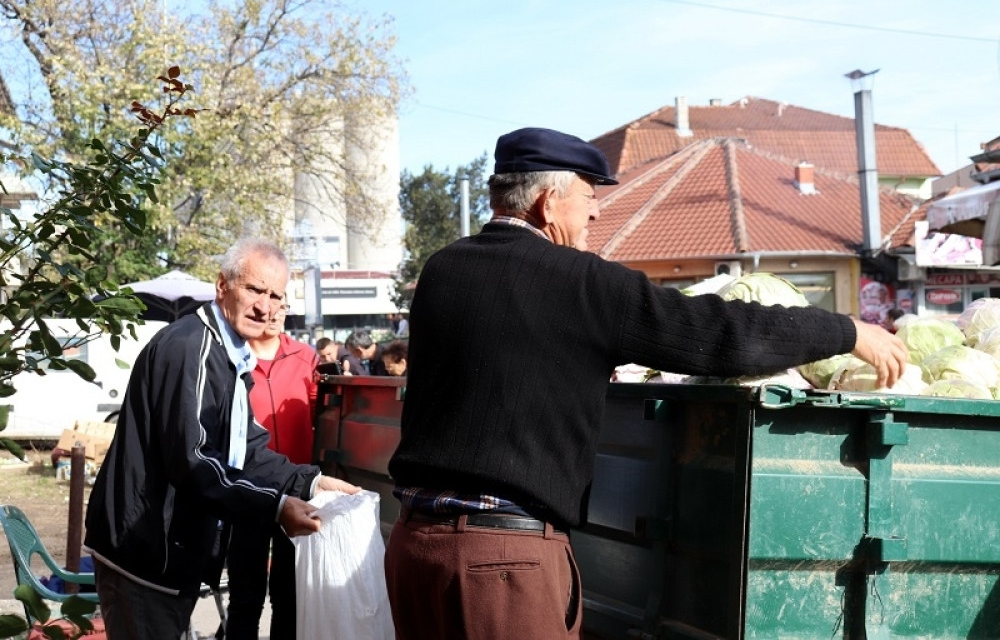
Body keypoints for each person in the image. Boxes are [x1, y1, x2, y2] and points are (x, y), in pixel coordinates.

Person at [383, 127, 908, 640]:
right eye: (589, 197)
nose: (595, 212)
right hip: (502, 567)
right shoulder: (581, 282)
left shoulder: (442, 269)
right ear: (548, 203)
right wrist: (844, 331)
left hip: (414, 550)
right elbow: (719, 335)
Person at [84, 238, 360, 640]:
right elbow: (193, 460)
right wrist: (276, 506)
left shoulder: (229, 354)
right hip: (145, 553)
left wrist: (311, 482)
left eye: (275, 296)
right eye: (255, 289)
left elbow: (247, 449)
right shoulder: (193, 348)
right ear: (222, 285)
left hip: (171, 552)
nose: (264, 307)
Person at [225, 302, 319, 640]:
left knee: (290, 596)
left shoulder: (306, 357)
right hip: (246, 489)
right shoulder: (232, 356)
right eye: (271, 303)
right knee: (245, 596)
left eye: (284, 305)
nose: (276, 312)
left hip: (297, 489)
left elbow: (321, 413)